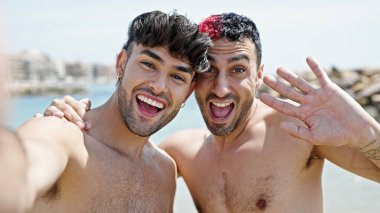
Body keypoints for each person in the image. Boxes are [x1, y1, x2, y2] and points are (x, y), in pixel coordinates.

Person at [43, 13, 380, 212]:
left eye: (237, 69)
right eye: (207, 71)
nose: (220, 88)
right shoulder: (179, 153)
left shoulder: (297, 132)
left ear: (259, 75)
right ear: (190, 82)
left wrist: (367, 133)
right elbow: (112, 166)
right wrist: (65, 119)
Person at [1, 10, 212, 212]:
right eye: (148, 64)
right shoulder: (62, 134)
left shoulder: (164, 172)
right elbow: (21, 175)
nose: (159, 86)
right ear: (121, 64)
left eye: (177, 77)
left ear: (187, 93)